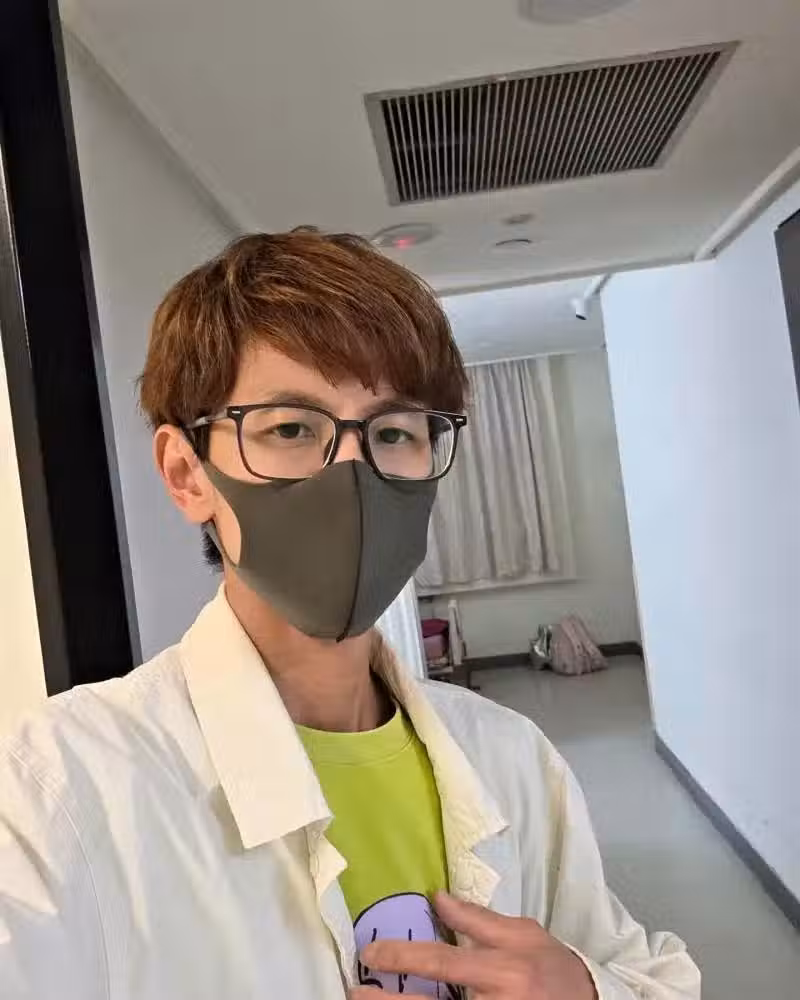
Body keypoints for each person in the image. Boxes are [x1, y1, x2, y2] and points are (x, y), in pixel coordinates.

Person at [0, 230, 700, 999]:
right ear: (186, 473)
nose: (354, 474)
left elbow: (644, 972)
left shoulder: (512, 756)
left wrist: (587, 991)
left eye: (394, 431)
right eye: (291, 429)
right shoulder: (57, 793)